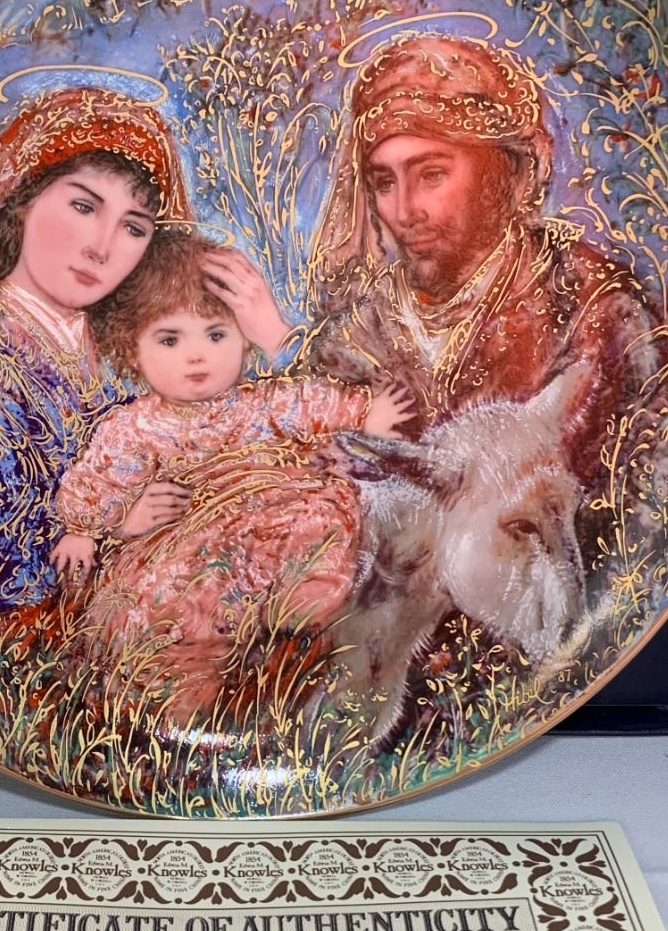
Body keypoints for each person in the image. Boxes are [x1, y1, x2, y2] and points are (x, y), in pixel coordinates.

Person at [0, 86, 289, 709]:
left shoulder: (142, 352)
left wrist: (272, 338)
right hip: (11, 667)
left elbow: (244, 432)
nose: (102, 247)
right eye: (83, 206)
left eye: (133, 227)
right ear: (20, 201)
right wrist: (107, 527)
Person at [305, 35, 668, 566]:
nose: (405, 211)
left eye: (432, 174)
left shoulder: (594, 312)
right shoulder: (353, 340)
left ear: (510, 173)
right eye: (384, 182)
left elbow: (653, 515)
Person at [52, 231, 415, 720]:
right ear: (132, 349)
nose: (196, 355)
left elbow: (310, 403)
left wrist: (365, 412)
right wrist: (82, 529)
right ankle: (184, 693)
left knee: (320, 516)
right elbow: (98, 478)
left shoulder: (259, 403)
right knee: (178, 602)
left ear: (243, 339)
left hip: (272, 524)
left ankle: (310, 601)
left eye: (216, 335)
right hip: (194, 546)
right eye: (170, 339)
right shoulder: (136, 427)